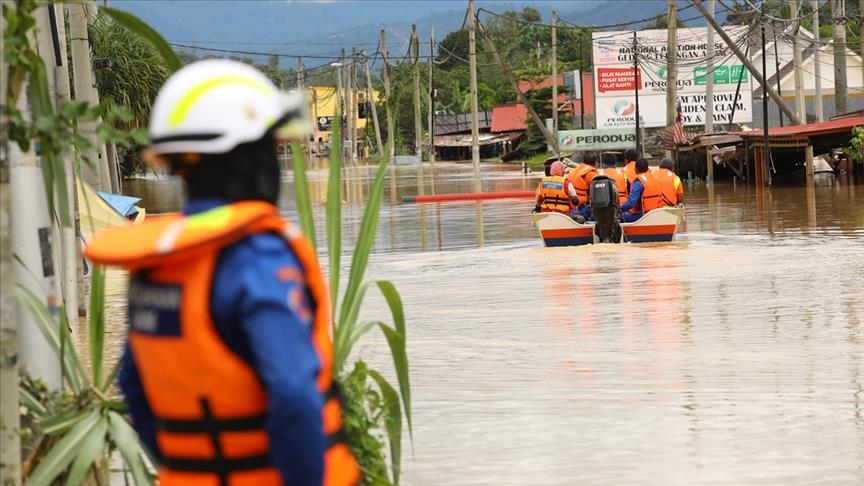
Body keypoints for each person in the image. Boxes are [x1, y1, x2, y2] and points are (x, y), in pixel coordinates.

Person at [84, 59, 359, 486]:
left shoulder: (158, 265)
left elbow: (133, 387)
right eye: (271, 148)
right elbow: (293, 395)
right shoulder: (257, 259)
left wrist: (199, 465)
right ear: (249, 156)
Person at [619, 157, 663, 222]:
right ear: (647, 168)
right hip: (656, 214)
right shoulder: (656, 179)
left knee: (619, 216)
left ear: (636, 169)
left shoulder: (638, 183)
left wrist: (619, 209)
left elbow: (631, 203)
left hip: (642, 216)